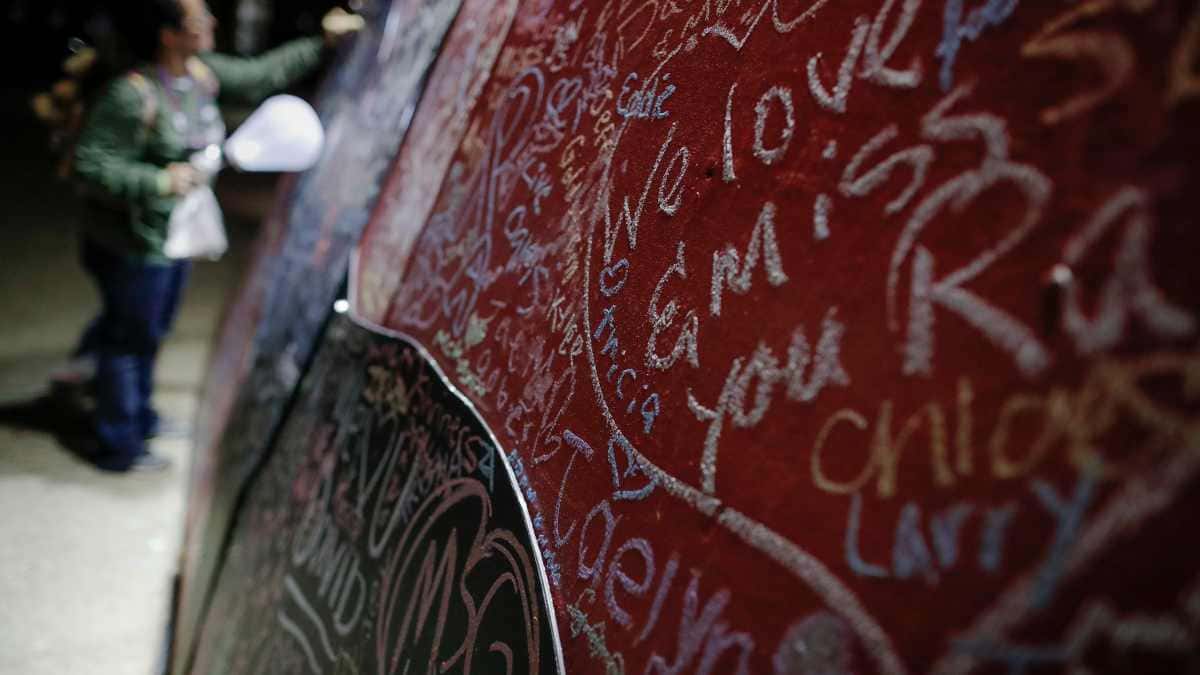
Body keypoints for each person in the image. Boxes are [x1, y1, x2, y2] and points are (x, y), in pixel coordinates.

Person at [69, 0, 360, 472]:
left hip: (171, 238)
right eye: (199, 18)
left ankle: (139, 418)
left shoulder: (199, 75)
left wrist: (322, 42)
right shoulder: (132, 94)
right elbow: (90, 163)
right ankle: (118, 444)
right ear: (169, 34)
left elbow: (260, 74)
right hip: (131, 243)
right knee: (127, 342)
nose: (212, 23)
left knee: (150, 333)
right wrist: (159, 182)